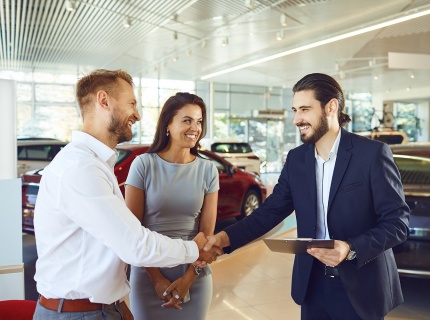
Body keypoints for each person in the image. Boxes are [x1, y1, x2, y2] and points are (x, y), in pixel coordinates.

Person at [205, 73, 410, 320]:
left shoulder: (372, 154)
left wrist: (350, 248)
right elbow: (270, 212)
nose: (296, 119)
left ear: (331, 107)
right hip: (312, 286)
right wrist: (224, 239)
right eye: (294, 110)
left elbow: (398, 223)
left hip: (360, 287)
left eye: (304, 109)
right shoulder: (296, 160)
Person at [33, 69, 216, 320]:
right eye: (131, 103)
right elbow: (135, 244)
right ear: (104, 101)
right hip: (79, 313)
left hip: (99, 308)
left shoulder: (94, 164)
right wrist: (194, 250)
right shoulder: (81, 168)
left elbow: (110, 246)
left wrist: (117, 307)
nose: (137, 114)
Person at [125, 92, 220, 320]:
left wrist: (188, 279)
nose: (195, 128)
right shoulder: (143, 165)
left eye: (198, 121)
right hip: (148, 276)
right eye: (187, 120)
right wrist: (157, 279)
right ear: (168, 123)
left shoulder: (208, 170)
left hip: (194, 276)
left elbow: (206, 234)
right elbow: (132, 231)